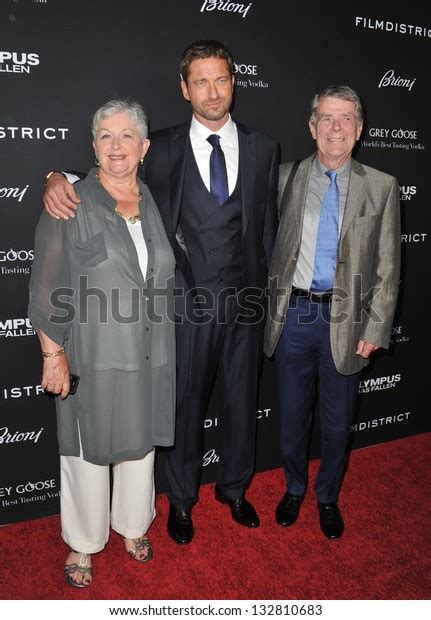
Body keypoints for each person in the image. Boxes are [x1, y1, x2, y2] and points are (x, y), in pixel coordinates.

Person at [43, 40, 279, 545]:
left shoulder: (265, 148)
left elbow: (267, 233)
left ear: (233, 82)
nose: (212, 91)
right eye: (200, 81)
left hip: (244, 305)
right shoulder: (161, 146)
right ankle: (183, 501)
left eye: (220, 79)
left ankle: (236, 489)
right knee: (184, 407)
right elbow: (109, 170)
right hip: (184, 309)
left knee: (242, 403)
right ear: (184, 89)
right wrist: (54, 176)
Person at [29, 99, 175, 587]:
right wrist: (53, 354)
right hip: (91, 355)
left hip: (151, 353)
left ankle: (133, 525)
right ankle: (84, 542)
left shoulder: (152, 199)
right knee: (85, 451)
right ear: (93, 146)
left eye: (127, 135)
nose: (117, 146)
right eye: (106, 136)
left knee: (141, 449)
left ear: (144, 147)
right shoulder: (68, 201)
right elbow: (47, 288)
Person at [264, 85, 400, 539]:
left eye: (345, 119)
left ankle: (326, 496)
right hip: (294, 316)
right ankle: (294, 487)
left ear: (359, 129)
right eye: (326, 118)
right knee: (291, 417)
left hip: (348, 323)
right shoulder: (285, 177)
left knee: (339, 423)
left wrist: (376, 325)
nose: (335, 128)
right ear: (312, 127)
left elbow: (387, 266)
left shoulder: (381, 187)